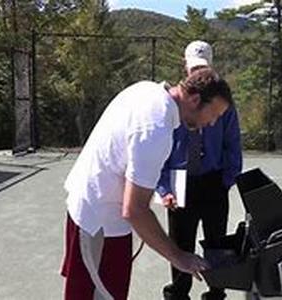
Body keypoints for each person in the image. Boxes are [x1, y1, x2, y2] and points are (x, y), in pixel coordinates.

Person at [60, 67, 234, 300]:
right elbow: (134, 210)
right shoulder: (156, 128)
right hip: (97, 223)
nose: (212, 123)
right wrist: (179, 257)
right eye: (214, 114)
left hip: (105, 221)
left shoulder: (147, 90)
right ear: (194, 99)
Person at [157, 41, 242, 300]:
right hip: (180, 182)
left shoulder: (222, 105)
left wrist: (226, 180)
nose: (197, 72)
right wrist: (164, 189)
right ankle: (179, 294)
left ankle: (216, 292)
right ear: (185, 66)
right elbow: (160, 152)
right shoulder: (171, 106)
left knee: (217, 242)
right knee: (180, 243)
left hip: (214, 181)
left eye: (202, 68)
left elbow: (233, 144)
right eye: (193, 67)